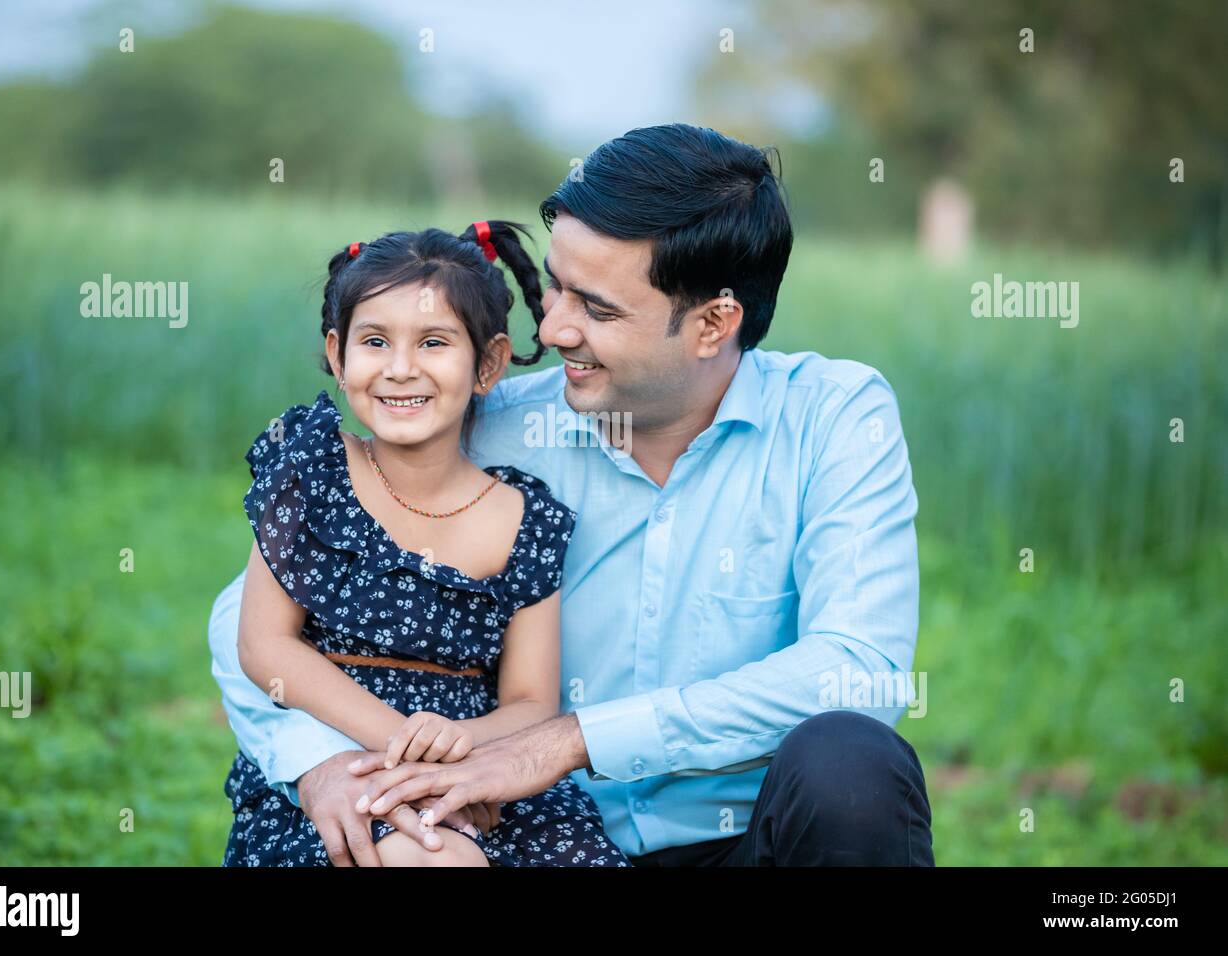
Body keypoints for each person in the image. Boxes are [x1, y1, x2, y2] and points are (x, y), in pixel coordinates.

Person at [210, 123, 935, 866]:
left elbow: (861, 671)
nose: (551, 327)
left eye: (597, 308)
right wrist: (317, 761)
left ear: (714, 323)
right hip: (532, 839)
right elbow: (249, 618)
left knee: (852, 764)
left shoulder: (831, 417)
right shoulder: (493, 428)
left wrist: (571, 740)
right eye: (555, 285)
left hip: (743, 841)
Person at [220, 219, 629, 866]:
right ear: (337, 352)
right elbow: (262, 645)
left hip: (474, 771)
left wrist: (459, 750)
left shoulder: (526, 518)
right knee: (437, 860)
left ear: (487, 363)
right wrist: (405, 747)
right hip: (338, 759)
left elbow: (530, 702)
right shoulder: (313, 469)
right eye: (375, 341)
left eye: (434, 342)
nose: (401, 369)